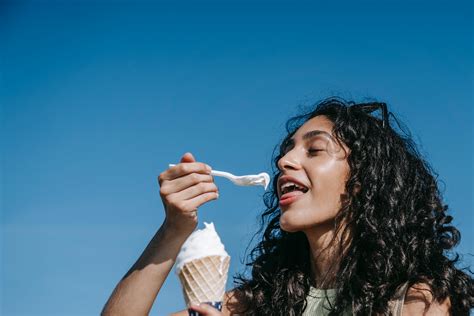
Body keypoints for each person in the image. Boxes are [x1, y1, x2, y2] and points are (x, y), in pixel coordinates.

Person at [102, 98, 473, 315]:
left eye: (314, 150)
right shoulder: (258, 303)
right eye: (286, 151)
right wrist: (174, 229)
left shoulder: (419, 301)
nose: (284, 162)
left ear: (363, 180)